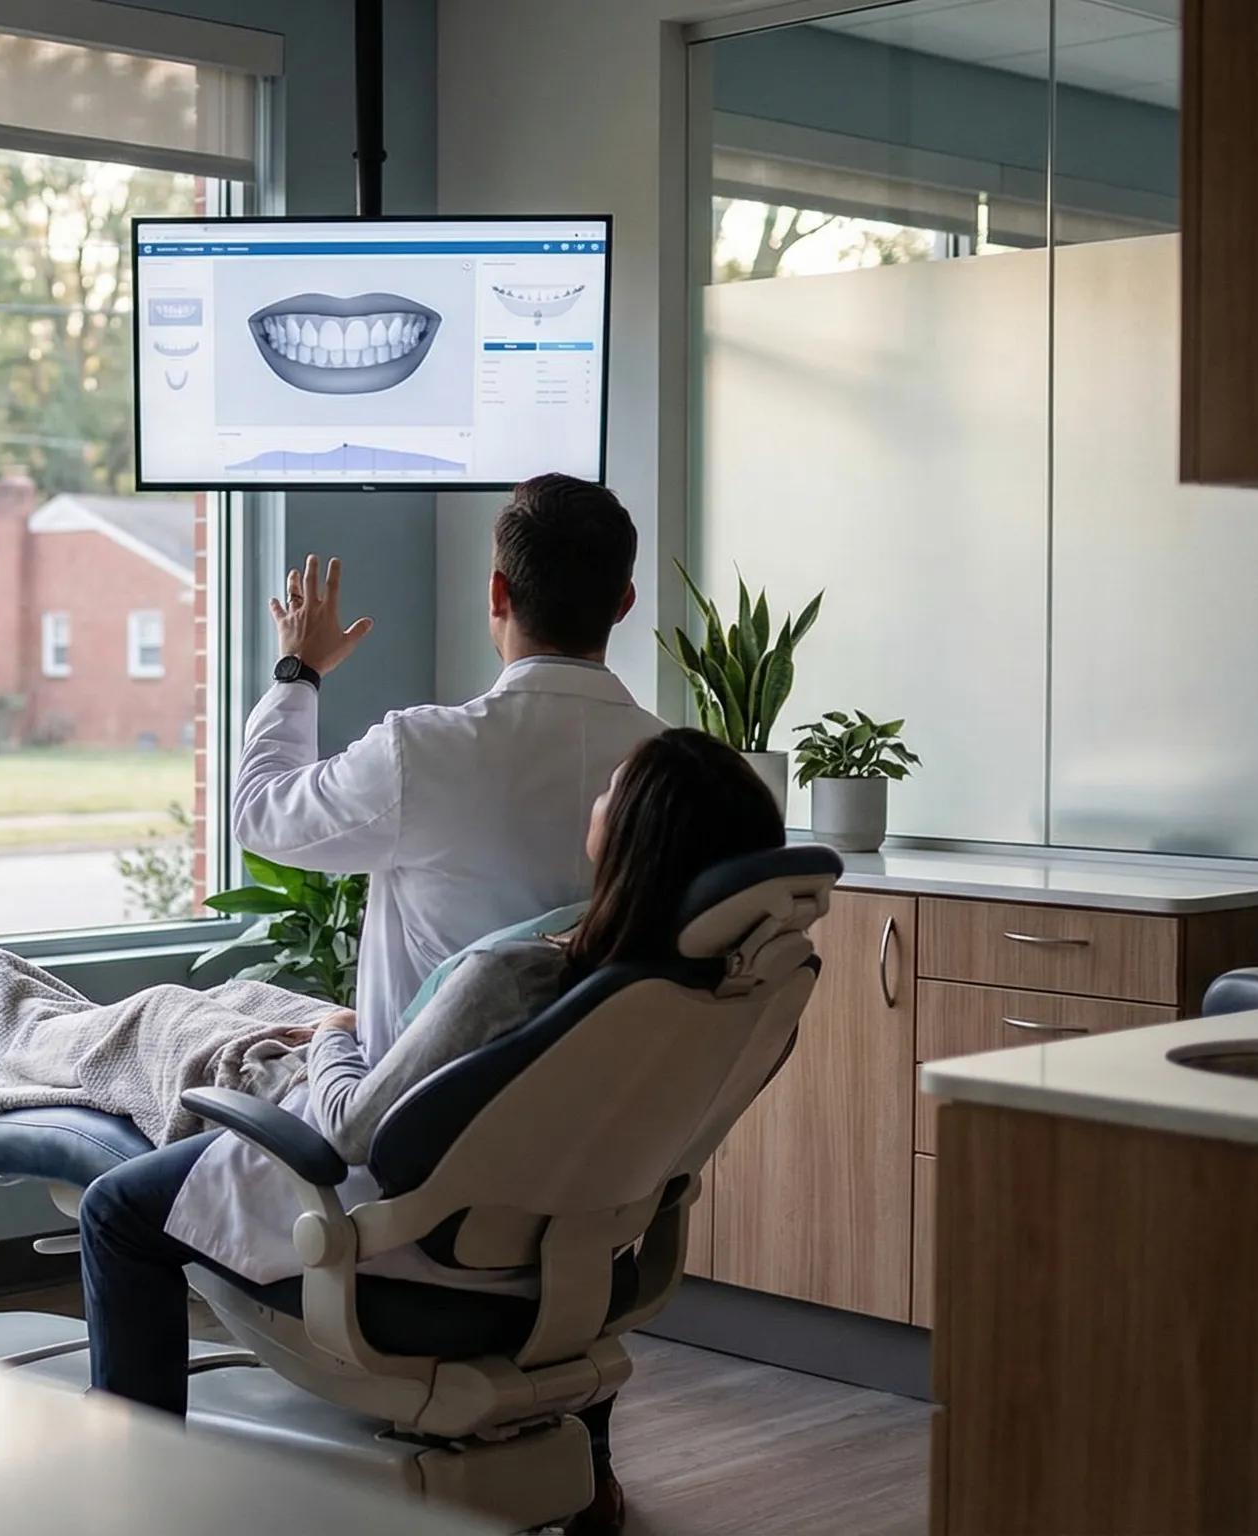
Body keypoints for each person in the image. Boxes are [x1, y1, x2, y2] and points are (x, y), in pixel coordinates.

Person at [79, 729, 787, 1536]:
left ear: (635, 838)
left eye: (608, 792)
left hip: (406, 1247)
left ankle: (137, 1499)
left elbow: (350, 1127)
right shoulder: (692, 1003)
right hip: (571, 1268)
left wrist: (335, 1035)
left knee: (115, 1210)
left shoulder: (517, 977)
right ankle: (587, 1474)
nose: (593, 802)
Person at [232, 471, 666, 1066]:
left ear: (497, 592)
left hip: (399, 1104)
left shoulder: (423, 751)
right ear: (624, 603)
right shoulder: (673, 774)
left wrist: (299, 671)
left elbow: (261, 814)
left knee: (162, 1014)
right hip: (587, 1102)